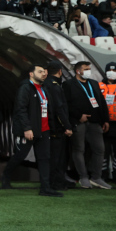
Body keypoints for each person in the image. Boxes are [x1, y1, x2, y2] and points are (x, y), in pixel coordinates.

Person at [0, 65, 63, 197]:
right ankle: (5, 176)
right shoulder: (25, 88)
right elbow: (21, 110)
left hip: (44, 130)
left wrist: (52, 127)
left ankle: (45, 188)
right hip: (29, 131)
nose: (44, 74)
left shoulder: (45, 88)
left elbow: (49, 110)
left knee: (44, 158)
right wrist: (27, 128)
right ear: (31, 74)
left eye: (45, 72)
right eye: (40, 72)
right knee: (20, 156)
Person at [63, 61, 111, 189]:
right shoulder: (68, 85)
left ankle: (96, 177)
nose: (89, 71)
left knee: (99, 149)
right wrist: (79, 116)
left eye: (89, 68)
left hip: (95, 122)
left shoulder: (94, 84)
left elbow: (101, 102)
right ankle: (83, 177)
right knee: (79, 150)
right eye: (86, 69)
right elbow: (66, 105)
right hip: (78, 122)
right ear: (78, 71)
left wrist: (105, 120)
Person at [44, 61, 74, 191]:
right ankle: (55, 182)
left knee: (53, 157)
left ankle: (57, 180)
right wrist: (67, 126)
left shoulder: (46, 84)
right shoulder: (55, 86)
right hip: (56, 127)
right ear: (60, 71)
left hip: (49, 126)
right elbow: (59, 108)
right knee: (57, 157)